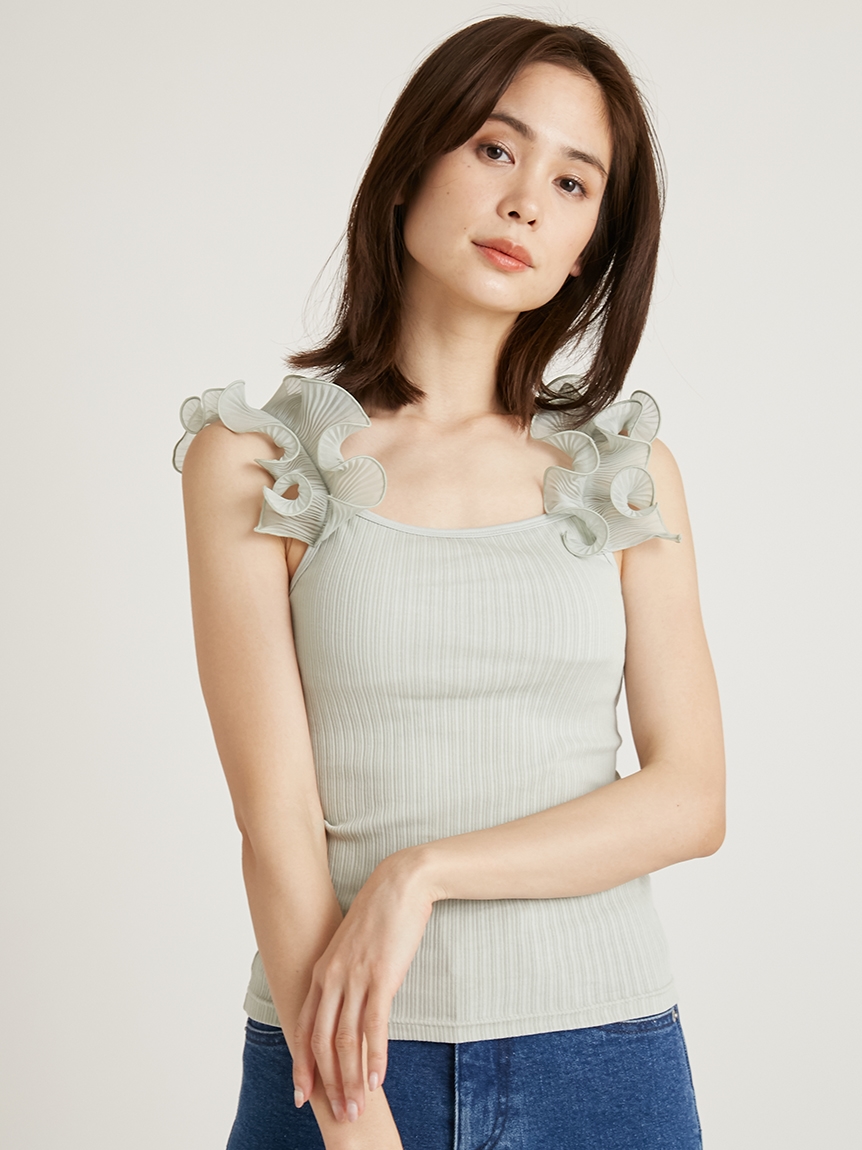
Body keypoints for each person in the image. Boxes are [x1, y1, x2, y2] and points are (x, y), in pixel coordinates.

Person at [174, 15, 725, 1149]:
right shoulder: (261, 459)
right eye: (494, 148)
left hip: (604, 1062)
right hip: (338, 1065)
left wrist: (422, 874)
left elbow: (691, 797)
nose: (525, 202)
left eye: (572, 183)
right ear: (409, 164)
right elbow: (274, 822)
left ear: (587, 250)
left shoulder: (622, 470)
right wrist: (355, 1118)